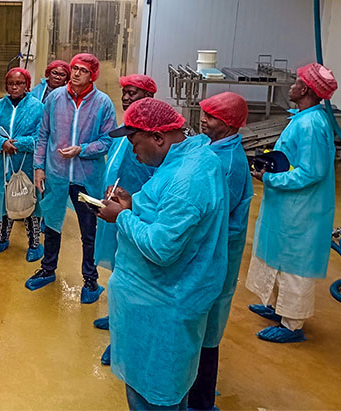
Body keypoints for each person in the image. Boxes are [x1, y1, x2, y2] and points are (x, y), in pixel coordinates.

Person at [97, 97, 229, 410]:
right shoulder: (186, 159)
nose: (132, 152)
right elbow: (165, 211)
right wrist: (133, 204)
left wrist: (123, 217)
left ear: (158, 137)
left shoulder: (188, 179)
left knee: (156, 395)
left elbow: (162, 247)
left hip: (163, 309)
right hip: (155, 303)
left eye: (134, 142)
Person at [246, 62, 337, 343]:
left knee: (294, 265)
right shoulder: (303, 117)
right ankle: (277, 307)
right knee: (278, 255)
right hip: (287, 207)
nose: (292, 86)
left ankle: (292, 325)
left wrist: (271, 180)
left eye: (297, 82)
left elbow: (311, 171)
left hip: (302, 210)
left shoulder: (311, 124)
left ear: (307, 90)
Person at [26, 53, 117, 305]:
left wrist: (83, 150)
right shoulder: (55, 98)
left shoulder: (102, 103)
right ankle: (47, 269)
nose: (76, 73)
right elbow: (42, 134)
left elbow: (108, 139)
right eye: (74, 68)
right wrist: (39, 168)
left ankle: (90, 279)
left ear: (93, 75)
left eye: (83, 70)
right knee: (52, 223)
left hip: (86, 178)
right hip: (55, 174)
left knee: (89, 231)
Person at [188, 92, 253, 411]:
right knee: (203, 327)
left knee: (207, 330)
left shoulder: (225, 164)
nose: (203, 119)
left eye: (211, 117)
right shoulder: (215, 147)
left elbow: (209, 216)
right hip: (214, 253)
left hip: (216, 257)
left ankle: (201, 400)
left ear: (227, 124)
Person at [91, 74, 158, 366]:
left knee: (131, 279)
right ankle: (118, 318)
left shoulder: (148, 136)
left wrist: (128, 204)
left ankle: (121, 340)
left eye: (133, 92)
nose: (126, 97)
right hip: (118, 209)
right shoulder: (127, 127)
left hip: (134, 213)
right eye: (124, 92)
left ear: (149, 96)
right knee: (119, 273)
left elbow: (149, 180)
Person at [0, 68, 46, 261]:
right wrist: (1, 143)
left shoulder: (37, 107)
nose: (14, 87)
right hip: (0, 164)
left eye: (19, 83)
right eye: (11, 83)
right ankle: (2, 239)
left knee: (29, 202)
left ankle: (35, 244)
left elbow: (41, 135)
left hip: (26, 163)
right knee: (3, 201)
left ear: (26, 85)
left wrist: (16, 144)